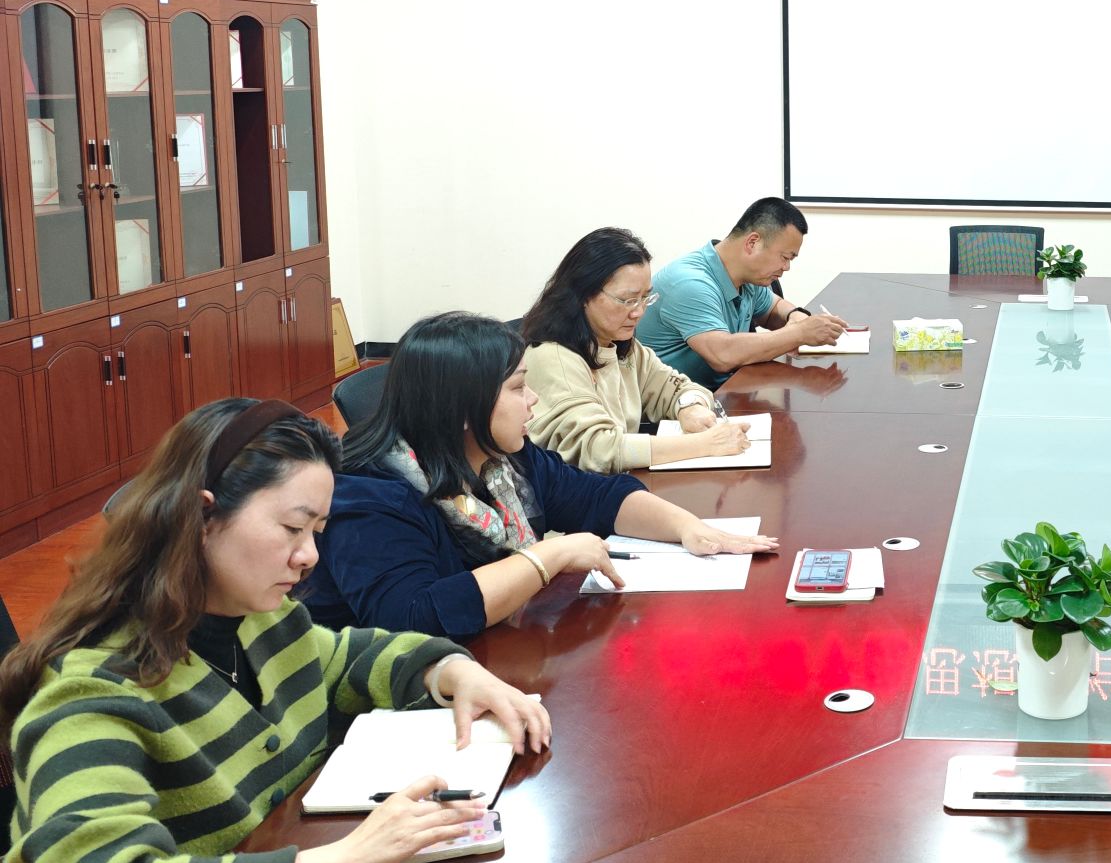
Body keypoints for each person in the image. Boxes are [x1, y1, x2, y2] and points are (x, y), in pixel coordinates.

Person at [0, 399, 548, 863]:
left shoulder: (261, 619)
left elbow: (344, 658)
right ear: (202, 518)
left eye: (317, 531)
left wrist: (451, 671)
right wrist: (346, 859)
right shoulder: (93, 695)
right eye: (292, 528)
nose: (309, 555)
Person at [299, 312, 778, 637]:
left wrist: (687, 527)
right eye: (518, 388)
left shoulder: (502, 456)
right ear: (461, 410)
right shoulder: (370, 494)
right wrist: (548, 556)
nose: (533, 401)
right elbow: (411, 618)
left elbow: (596, 497)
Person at [521, 226, 752, 471]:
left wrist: (690, 408)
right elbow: (599, 449)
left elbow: (676, 387)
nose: (639, 312)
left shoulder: (621, 346)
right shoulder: (553, 357)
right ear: (583, 295)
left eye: (645, 298)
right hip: (575, 490)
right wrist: (704, 444)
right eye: (628, 300)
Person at [638, 197, 852, 388]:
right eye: (785, 257)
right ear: (753, 242)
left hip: (723, 393)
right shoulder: (690, 283)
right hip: (676, 408)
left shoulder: (746, 276)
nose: (786, 267)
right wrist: (799, 333)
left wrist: (795, 315)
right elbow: (723, 355)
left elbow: (773, 308)